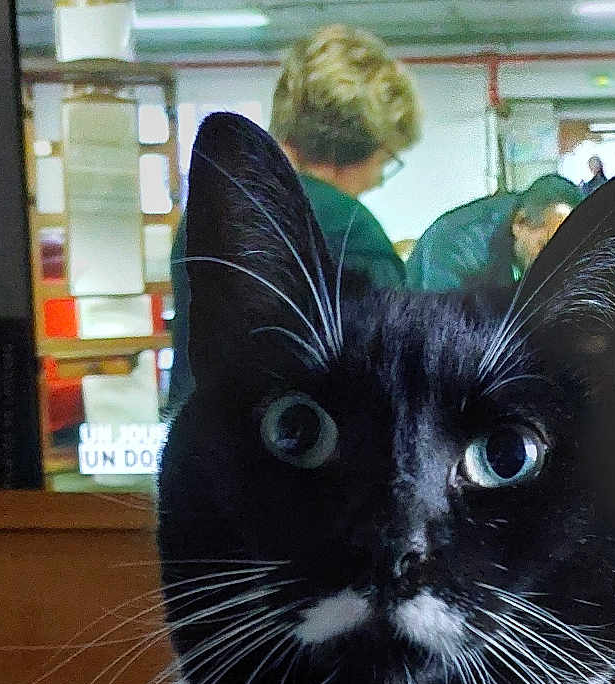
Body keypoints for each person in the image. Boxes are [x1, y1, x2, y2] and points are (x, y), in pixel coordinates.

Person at [170, 24, 420, 407]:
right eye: (385, 160)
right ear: (354, 149)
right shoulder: (351, 231)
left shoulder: (213, 208)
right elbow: (389, 388)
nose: (376, 181)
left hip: (205, 443)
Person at [406, 174, 582, 296]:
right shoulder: (460, 245)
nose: (554, 266)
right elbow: (446, 330)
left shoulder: (528, 220)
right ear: (519, 223)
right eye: (544, 248)